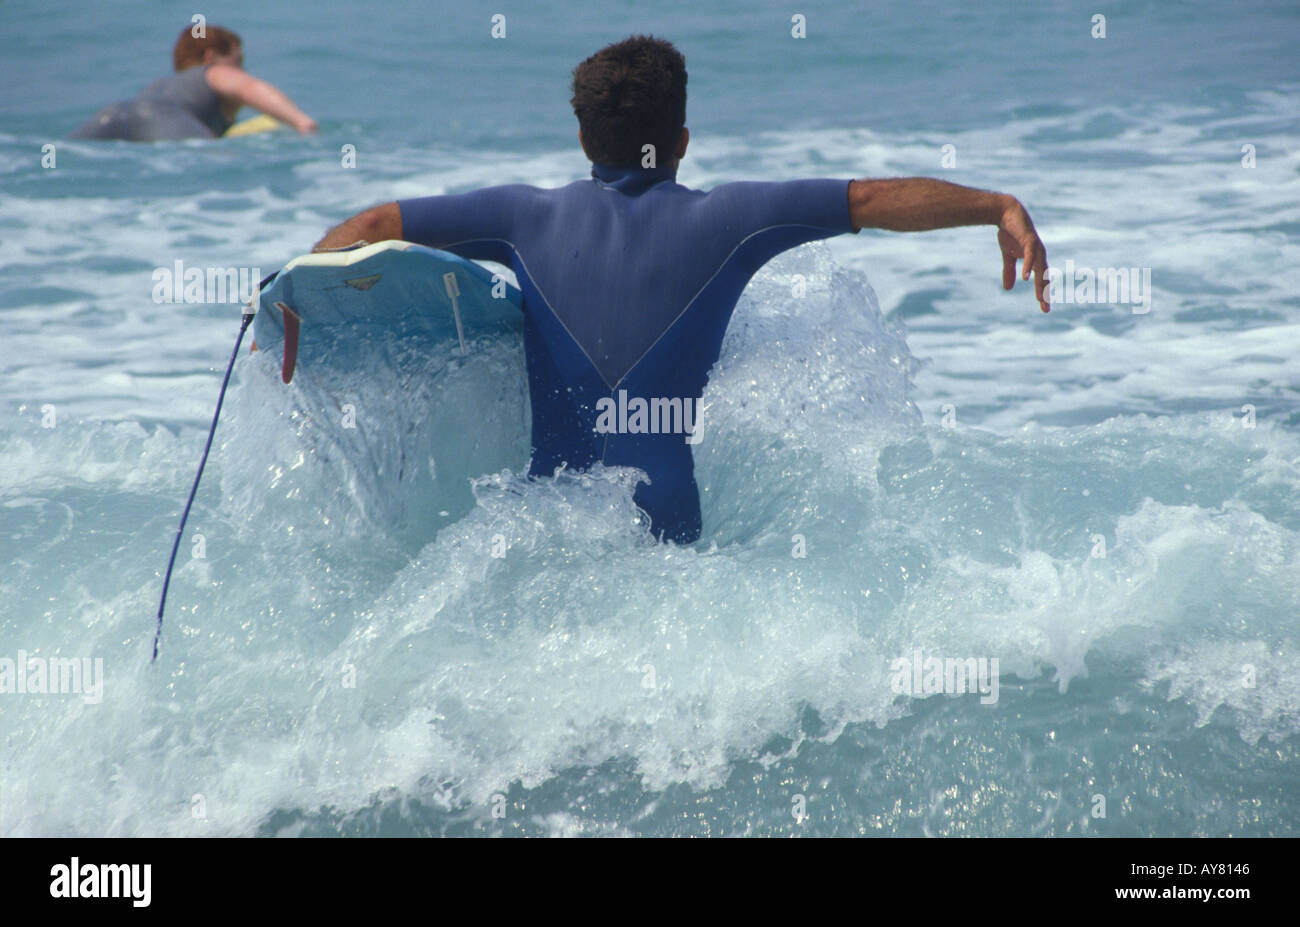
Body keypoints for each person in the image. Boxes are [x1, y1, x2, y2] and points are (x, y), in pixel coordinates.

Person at [312, 35, 1049, 544]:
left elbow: (374, 223)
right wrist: (994, 206)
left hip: (541, 530)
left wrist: (293, 297)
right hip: (669, 536)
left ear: (582, 138)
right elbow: (872, 201)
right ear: (683, 140)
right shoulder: (732, 219)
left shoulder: (519, 218)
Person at [71, 25, 316, 141]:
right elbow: (249, 88)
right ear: (210, 57)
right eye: (238, 61)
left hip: (114, 114)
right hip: (161, 119)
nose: (241, 70)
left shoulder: (162, 85)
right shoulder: (214, 71)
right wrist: (301, 122)